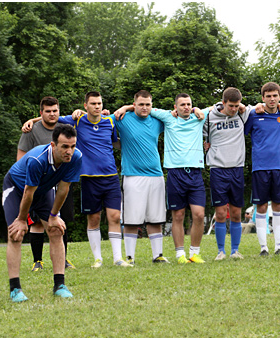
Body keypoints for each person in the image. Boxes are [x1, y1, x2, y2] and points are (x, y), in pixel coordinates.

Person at [3, 124, 82, 302]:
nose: (69, 151)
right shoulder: (37, 160)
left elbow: (63, 189)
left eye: (72, 146)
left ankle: (60, 285)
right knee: (16, 234)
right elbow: (28, 193)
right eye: (64, 147)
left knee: (57, 230)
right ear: (53, 145)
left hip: (43, 190)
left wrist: (54, 217)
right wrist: (22, 219)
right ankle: (15, 289)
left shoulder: (76, 157)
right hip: (17, 189)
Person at [56, 91, 131, 267]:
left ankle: (117, 258)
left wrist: (126, 107)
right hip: (89, 178)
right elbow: (51, 118)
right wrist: (32, 121)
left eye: (99, 103)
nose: (97, 106)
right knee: (94, 219)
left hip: (111, 177)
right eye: (93, 103)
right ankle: (98, 259)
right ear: (85, 106)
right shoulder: (77, 120)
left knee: (114, 216)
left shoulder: (110, 121)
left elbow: (115, 139)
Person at [147, 93, 207, 264]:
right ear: (175, 107)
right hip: (175, 173)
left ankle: (194, 253)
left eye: (189, 104)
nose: (186, 107)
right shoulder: (168, 118)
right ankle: (180, 254)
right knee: (178, 215)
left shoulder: (199, 117)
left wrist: (197, 109)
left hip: (195, 172)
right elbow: (146, 108)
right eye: (182, 105)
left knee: (199, 214)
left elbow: (219, 105)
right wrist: (125, 108)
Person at [19, 96, 76, 271]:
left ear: (59, 111)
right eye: (48, 111)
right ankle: (38, 261)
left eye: (55, 111)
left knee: (61, 220)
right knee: (37, 223)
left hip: (62, 182)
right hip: (39, 184)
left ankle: (63, 259)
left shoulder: (66, 127)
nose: (52, 114)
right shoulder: (31, 130)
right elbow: (21, 157)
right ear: (41, 112)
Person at [112, 90, 168, 264]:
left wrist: (129, 106)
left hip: (156, 175)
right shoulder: (123, 119)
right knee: (131, 219)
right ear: (134, 104)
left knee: (155, 218)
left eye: (148, 104)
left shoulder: (158, 121)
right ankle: (130, 257)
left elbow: (173, 116)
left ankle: (157, 255)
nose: (144, 108)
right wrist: (125, 108)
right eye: (141, 104)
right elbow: (103, 120)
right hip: (133, 175)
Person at [203, 87, 252, 260]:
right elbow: (198, 134)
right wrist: (204, 144)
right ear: (223, 103)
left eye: (236, 105)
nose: (233, 109)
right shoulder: (209, 117)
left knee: (237, 213)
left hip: (237, 169)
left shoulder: (242, 113)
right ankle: (220, 251)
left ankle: (235, 251)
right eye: (230, 106)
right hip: (217, 169)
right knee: (221, 213)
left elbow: (263, 106)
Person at [244, 82, 280, 256]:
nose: (272, 99)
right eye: (268, 96)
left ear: (279, 97)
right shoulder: (254, 114)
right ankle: (264, 248)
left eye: (275, 96)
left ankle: (278, 246)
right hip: (260, 168)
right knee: (261, 207)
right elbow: (243, 130)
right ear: (262, 98)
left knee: (278, 206)